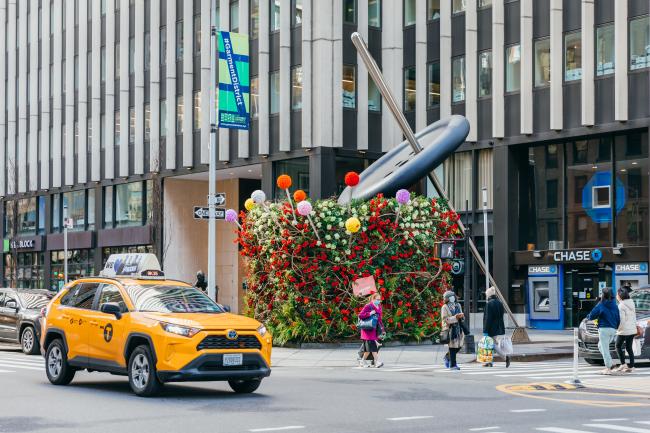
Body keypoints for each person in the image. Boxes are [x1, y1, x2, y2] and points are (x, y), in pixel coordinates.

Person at [586, 287, 620, 375]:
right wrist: (616, 327)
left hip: (604, 329)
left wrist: (589, 317)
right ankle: (611, 364)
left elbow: (592, 315)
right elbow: (618, 318)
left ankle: (608, 368)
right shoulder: (615, 305)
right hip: (613, 329)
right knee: (600, 346)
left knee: (604, 349)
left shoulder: (601, 304)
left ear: (603, 295)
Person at [483, 286, 511, 368]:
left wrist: (485, 330)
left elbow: (488, 318)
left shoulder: (489, 304)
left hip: (490, 328)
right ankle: (489, 362)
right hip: (498, 327)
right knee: (491, 344)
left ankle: (505, 357)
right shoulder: (499, 303)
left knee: (491, 344)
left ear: (488, 295)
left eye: (486, 295)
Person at [358, 292, 385, 368]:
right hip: (367, 330)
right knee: (373, 347)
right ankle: (376, 362)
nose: (379, 301)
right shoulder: (368, 306)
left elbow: (379, 319)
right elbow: (360, 315)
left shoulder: (379, 307)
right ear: (373, 299)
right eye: (377, 299)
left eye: (380, 300)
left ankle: (362, 361)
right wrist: (369, 313)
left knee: (368, 350)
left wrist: (382, 329)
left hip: (374, 330)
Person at [441, 290, 465, 370]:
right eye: (449, 297)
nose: (452, 298)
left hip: (459, 328)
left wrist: (462, 317)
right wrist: (455, 317)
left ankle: (447, 357)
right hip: (450, 329)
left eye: (452, 297)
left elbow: (461, 315)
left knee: (460, 346)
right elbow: (445, 319)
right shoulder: (444, 307)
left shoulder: (458, 305)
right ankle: (453, 365)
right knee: (452, 347)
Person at [615, 286, 637, 373]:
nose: (616, 295)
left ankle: (623, 364)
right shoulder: (631, 303)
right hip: (632, 329)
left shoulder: (621, 306)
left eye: (617, 294)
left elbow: (622, 320)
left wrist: (618, 330)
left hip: (624, 330)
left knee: (618, 346)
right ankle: (631, 366)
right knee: (629, 347)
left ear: (620, 295)